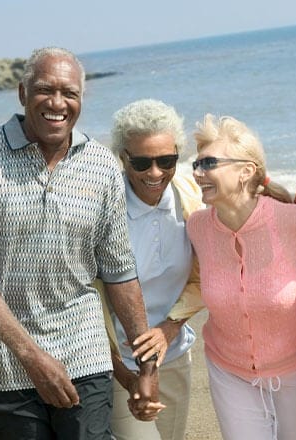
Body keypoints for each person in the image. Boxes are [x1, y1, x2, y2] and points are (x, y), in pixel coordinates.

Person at [0, 47, 160, 440]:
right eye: (45, 90)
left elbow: (120, 274)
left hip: (85, 352)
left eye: (70, 93)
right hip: (1, 365)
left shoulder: (102, 165)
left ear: (81, 99)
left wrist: (146, 368)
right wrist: (32, 358)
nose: (58, 103)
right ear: (22, 93)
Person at [186, 114, 296, 439]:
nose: (197, 173)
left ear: (246, 171)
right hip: (228, 369)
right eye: (196, 164)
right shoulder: (197, 228)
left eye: (208, 163)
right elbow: (185, 282)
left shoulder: (294, 222)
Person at [98, 99, 205, 440]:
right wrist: (127, 373)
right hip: (120, 365)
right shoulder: (104, 209)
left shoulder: (193, 197)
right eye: (142, 162)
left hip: (175, 356)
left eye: (166, 160)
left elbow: (207, 276)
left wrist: (168, 331)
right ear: (122, 157)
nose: (155, 173)